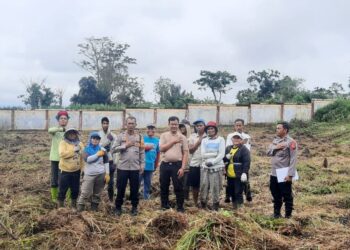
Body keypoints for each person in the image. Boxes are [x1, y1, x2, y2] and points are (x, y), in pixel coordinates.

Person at [112, 116, 145, 216]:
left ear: (136, 125)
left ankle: (134, 208)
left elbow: (142, 151)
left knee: (135, 189)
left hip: (135, 168)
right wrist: (125, 145)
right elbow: (113, 149)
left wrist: (142, 164)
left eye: (132, 123)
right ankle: (118, 208)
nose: (131, 125)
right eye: (129, 123)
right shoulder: (120, 136)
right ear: (126, 124)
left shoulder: (139, 137)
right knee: (120, 188)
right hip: (122, 167)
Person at [267, 122, 297, 218]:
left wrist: (290, 174)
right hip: (274, 172)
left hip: (284, 173)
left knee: (287, 194)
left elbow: (293, 159)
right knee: (275, 193)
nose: (276, 130)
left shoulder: (291, 142)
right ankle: (276, 213)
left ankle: (288, 215)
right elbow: (268, 152)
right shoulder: (275, 140)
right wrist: (276, 147)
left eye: (279, 128)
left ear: (285, 130)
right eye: (276, 128)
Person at [159, 116, 189, 212]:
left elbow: (185, 153)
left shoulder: (182, 137)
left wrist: (183, 168)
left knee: (178, 186)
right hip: (165, 164)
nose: (174, 126)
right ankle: (164, 205)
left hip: (177, 165)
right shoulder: (164, 135)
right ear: (169, 124)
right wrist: (173, 142)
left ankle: (180, 207)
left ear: (178, 125)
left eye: (176, 124)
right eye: (172, 124)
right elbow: (161, 149)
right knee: (164, 186)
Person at [77, 132, 110, 212]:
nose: (95, 140)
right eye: (94, 138)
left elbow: (106, 161)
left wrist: (107, 173)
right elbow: (87, 160)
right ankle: (80, 210)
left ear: (99, 140)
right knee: (85, 193)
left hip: (100, 174)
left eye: (97, 139)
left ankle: (94, 210)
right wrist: (97, 155)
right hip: (89, 175)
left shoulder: (102, 150)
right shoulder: (86, 149)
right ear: (90, 139)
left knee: (97, 193)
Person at [200, 121, 225, 211]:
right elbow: (203, 154)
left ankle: (215, 205)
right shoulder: (204, 140)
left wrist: (213, 161)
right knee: (204, 186)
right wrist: (214, 154)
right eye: (208, 129)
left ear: (215, 130)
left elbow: (221, 154)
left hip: (216, 167)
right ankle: (203, 204)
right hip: (205, 167)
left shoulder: (221, 139)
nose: (210, 130)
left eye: (212, 128)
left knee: (215, 187)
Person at [225, 118, 252, 203]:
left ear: (243, 126)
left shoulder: (247, 137)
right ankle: (228, 196)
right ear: (234, 126)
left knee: (244, 179)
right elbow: (228, 148)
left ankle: (248, 194)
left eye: (240, 125)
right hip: (232, 160)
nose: (238, 127)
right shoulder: (230, 136)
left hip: (242, 160)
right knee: (230, 182)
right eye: (237, 125)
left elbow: (247, 149)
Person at [57, 128, 84, 208]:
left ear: (76, 134)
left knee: (75, 189)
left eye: (73, 133)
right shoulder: (63, 143)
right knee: (62, 189)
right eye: (70, 133)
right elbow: (62, 154)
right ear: (67, 134)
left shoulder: (80, 144)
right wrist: (74, 151)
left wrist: (83, 169)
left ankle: (73, 206)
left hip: (76, 171)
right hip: (65, 171)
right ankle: (60, 207)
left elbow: (82, 156)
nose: (72, 135)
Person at [223, 132, 251, 209]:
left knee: (238, 191)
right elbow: (224, 160)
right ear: (231, 139)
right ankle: (234, 206)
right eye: (234, 138)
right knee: (231, 191)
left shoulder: (244, 149)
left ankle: (240, 207)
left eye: (238, 138)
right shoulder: (228, 148)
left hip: (239, 173)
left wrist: (244, 172)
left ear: (241, 140)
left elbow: (247, 161)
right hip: (229, 173)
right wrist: (226, 158)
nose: (236, 139)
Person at [48, 110, 69, 202]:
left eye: (65, 118)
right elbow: (49, 130)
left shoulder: (69, 132)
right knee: (54, 178)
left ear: (67, 120)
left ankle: (67, 198)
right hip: (55, 158)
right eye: (61, 118)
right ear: (58, 120)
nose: (63, 120)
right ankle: (54, 198)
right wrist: (60, 129)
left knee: (65, 178)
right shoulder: (55, 130)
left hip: (65, 159)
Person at [187, 119, 206, 207]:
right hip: (194, 164)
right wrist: (198, 142)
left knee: (205, 184)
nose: (199, 127)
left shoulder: (209, 136)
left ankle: (204, 202)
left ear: (204, 126)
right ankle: (195, 203)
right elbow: (190, 150)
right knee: (195, 185)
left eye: (200, 125)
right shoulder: (192, 137)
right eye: (197, 126)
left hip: (206, 164)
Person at [98, 117, 117, 202]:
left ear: (109, 124)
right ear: (101, 124)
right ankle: (98, 199)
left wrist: (115, 162)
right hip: (100, 161)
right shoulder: (98, 135)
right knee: (100, 181)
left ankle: (111, 200)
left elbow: (115, 149)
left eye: (107, 123)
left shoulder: (113, 135)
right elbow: (98, 146)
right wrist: (107, 141)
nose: (105, 125)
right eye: (104, 123)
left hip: (110, 161)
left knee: (111, 182)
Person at [140, 124, 160, 200]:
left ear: (155, 130)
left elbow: (158, 153)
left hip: (150, 165)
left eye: (152, 128)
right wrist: (146, 148)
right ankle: (135, 197)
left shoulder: (157, 140)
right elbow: (138, 148)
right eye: (149, 128)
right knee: (137, 182)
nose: (150, 130)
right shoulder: (142, 138)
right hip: (141, 165)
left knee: (147, 183)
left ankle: (146, 198)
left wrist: (156, 164)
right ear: (146, 130)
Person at [179, 121, 191, 201]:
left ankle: (185, 198)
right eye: (181, 127)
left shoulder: (190, 139)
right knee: (179, 181)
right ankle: (179, 197)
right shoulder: (178, 138)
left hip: (188, 163)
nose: (182, 129)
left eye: (184, 127)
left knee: (186, 183)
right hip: (178, 162)